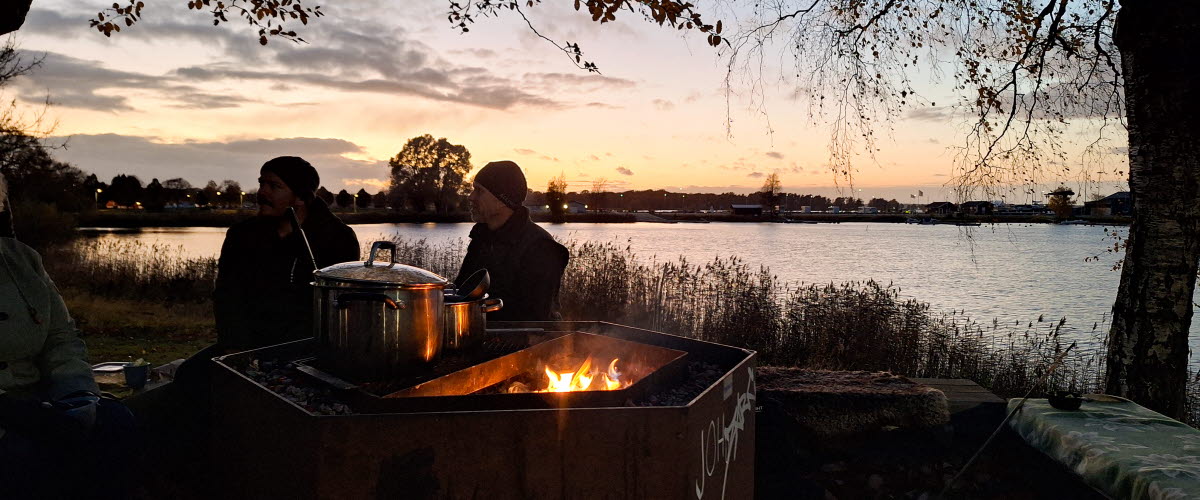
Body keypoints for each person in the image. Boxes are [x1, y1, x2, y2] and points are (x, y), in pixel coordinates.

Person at [0, 173, 139, 499]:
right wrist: (15, 413)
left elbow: (61, 337)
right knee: (21, 457)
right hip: (12, 416)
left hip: (40, 401)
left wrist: (77, 396)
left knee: (115, 423)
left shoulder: (23, 260)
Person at [213, 155, 360, 351]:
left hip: (311, 347)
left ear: (300, 197)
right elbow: (227, 297)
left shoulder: (338, 238)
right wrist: (238, 350)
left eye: (274, 186)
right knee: (188, 375)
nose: (262, 192)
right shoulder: (241, 235)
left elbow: (339, 305)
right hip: (246, 345)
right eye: (261, 183)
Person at [455, 160, 569, 321]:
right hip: (481, 336)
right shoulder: (481, 238)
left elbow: (534, 317)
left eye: (479, 191)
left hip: (529, 343)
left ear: (502, 199)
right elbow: (461, 290)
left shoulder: (541, 247)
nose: (471, 197)